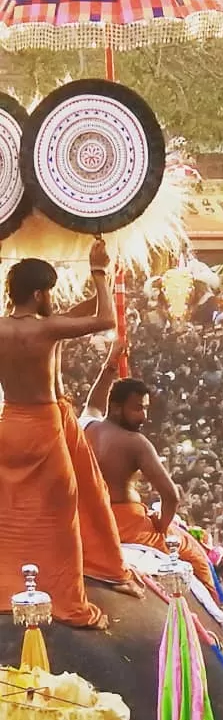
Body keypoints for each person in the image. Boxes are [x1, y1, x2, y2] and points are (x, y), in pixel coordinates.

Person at [0, 245, 137, 629]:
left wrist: (102, 286)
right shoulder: (47, 329)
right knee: (61, 513)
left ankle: (8, 580)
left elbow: (72, 316)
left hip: (10, 423)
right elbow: (106, 318)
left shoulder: (15, 327)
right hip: (43, 426)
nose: (55, 299)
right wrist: (99, 271)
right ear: (41, 293)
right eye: (52, 292)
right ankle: (65, 598)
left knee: (12, 510)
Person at [82, 343, 216, 591]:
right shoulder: (136, 443)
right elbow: (171, 496)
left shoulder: (87, 426)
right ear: (117, 408)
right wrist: (161, 529)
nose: (143, 416)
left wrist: (111, 363)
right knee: (197, 557)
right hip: (127, 527)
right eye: (137, 408)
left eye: (145, 408)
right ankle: (218, 623)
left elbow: (94, 401)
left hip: (88, 520)